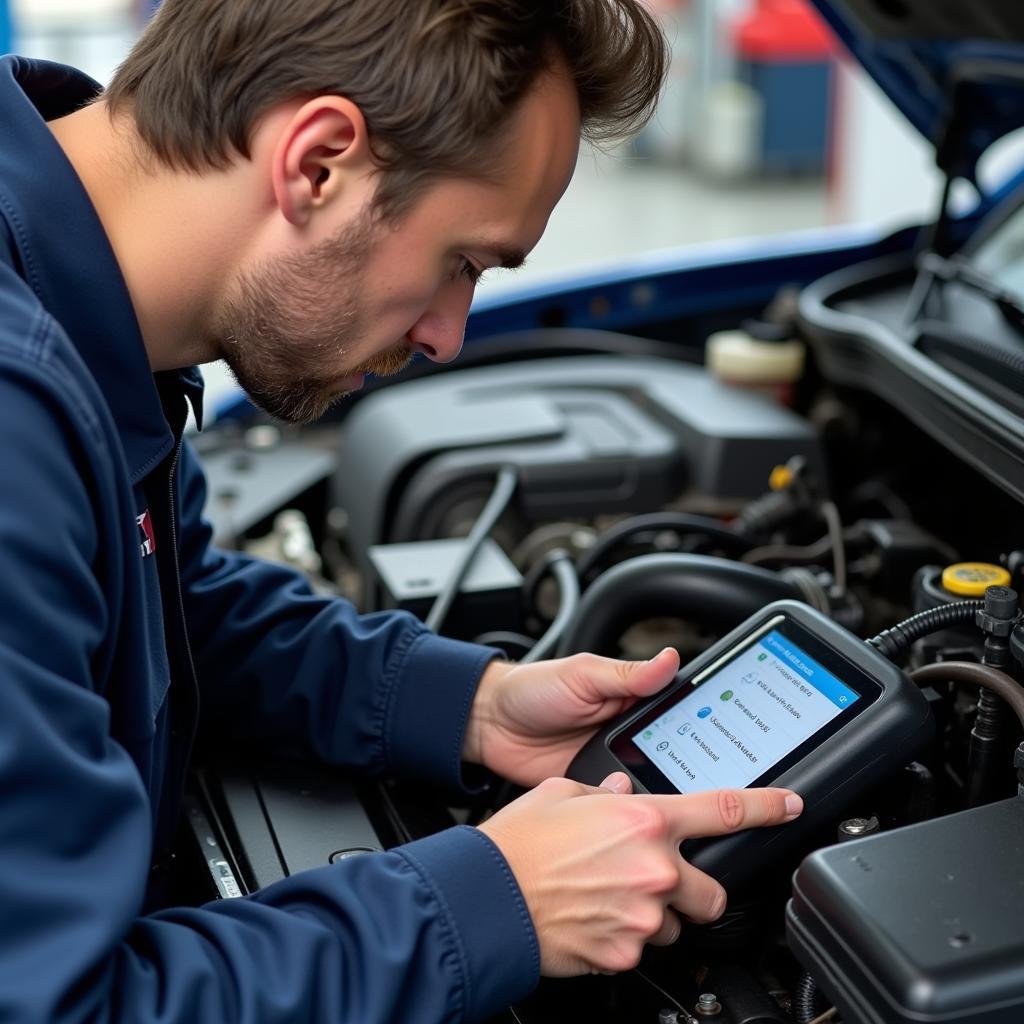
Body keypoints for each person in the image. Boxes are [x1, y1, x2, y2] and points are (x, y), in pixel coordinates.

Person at [0, 2, 803, 1021]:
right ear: (319, 160)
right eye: (463, 262)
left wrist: (464, 704)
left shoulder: (73, 288)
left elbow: (165, 602)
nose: (449, 335)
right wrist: (493, 902)